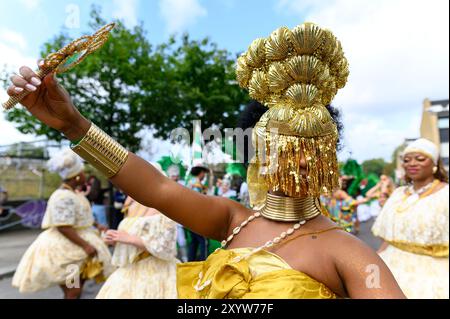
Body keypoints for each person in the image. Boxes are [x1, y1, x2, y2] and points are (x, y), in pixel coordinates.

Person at [7, 22, 405, 298]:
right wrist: (73, 124)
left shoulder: (350, 253)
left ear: (328, 161)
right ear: (258, 155)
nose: (297, 162)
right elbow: (158, 188)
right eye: (282, 148)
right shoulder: (233, 219)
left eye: (312, 152)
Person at [12, 149, 113, 299]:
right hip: (69, 254)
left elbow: (78, 217)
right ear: (76, 176)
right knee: (73, 291)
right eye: (83, 172)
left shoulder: (74, 193)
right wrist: (86, 246)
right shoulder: (62, 196)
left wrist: (97, 225)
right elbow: (63, 226)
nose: (85, 175)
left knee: (74, 289)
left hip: (75, 251)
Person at [372, 138, 449, 299]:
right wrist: (374, 261)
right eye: (407, 160)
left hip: (433, 273)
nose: (412, 163)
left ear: (434, 164)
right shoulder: (398, 194)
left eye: (420, 159)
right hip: (391, 268)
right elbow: (388, 238)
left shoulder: (445, 194)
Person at [96, 164, 179, 299]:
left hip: (157, 272)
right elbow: (128, 239)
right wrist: (114, 240)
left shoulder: (164, 206)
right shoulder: (131, 204)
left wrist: (130, 239)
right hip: (129, 270)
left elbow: (166, 247)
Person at [185, 164, 210, 262]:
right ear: (201, 172)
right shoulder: (196, 185)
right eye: (204, 173)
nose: (204, 175)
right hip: (196, 217)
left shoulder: (190, 182)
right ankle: (205, 263)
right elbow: (197, 202)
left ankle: (190, 263)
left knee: (194, 242)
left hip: (188, 217)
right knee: (203, 241)